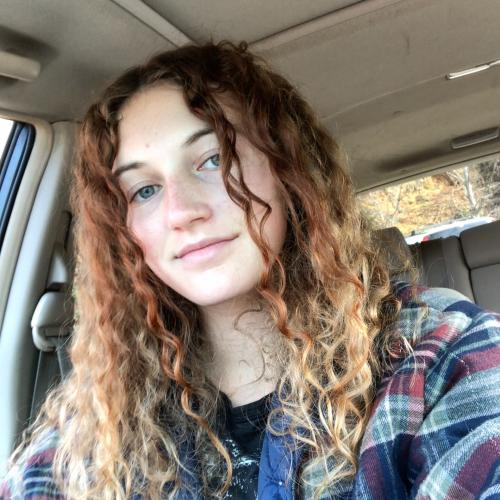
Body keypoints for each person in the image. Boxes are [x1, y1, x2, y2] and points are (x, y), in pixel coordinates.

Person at [1, 41, 499, 500]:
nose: (181, 212)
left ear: (288, 169)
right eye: (144, 190)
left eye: (213, 159)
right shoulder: (100, 415)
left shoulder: (436, 358)